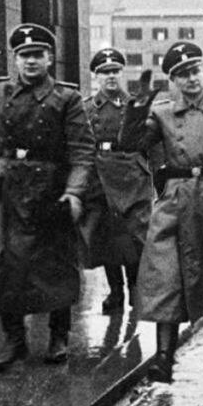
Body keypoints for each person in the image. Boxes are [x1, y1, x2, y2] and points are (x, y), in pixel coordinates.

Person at [119, 41, 203, 382]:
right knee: (165, 277)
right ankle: (164, 358)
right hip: (174, 201)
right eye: (182, 75)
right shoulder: (162, 112)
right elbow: (132, 143)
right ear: (174, 81)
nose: (191, 79)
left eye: (194, 71)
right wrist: (137, 106)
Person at [0, 24, 96, 371]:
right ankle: (14, 339)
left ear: (50, 58)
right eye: (24, 55)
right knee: (4, 265)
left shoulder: (67, 98)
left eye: (38, 54)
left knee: (55, 264)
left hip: (50, 190)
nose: (31, 62)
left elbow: (83, 152)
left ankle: (58, 334)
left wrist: (73, 193)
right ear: (15, 59)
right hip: (6, 188)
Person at [80, 48, 154, 314]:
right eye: (104, 72)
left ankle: (135, 287)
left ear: (121, 74)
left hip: (130, 175)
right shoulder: (87, 108)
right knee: (108, 237)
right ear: (96, 76)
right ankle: (116, 292)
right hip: (99, 174)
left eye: (114, 71)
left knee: (134, 236)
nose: (110, 77)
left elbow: (148, 140)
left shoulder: (135, 105)